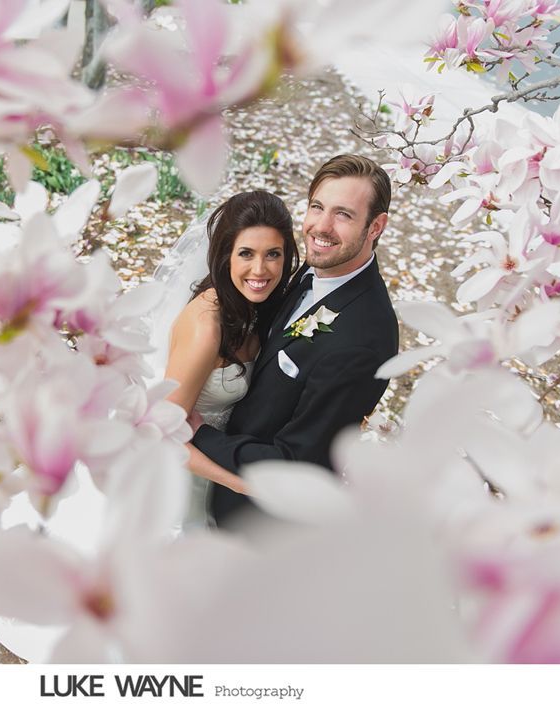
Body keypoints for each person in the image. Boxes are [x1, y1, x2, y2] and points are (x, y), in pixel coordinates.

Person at [189, 154, 400, 529]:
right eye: (317, 207)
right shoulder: (317, 267)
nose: (321, 227)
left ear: (376, 226)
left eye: (344, 215)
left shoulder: (364, 341)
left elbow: (296, 460)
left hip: (258, 520)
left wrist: (201, 435)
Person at [155, 190, 299, 527]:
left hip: (218, 462)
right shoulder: (207, 328)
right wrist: (243, 484)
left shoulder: (252, 308)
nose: (260, 269)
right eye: (246, 253)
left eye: (273, 254)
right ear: (226, 256)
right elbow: (162, 433)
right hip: (181, 477)